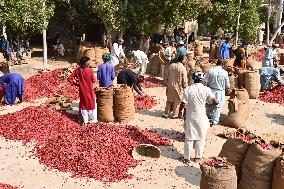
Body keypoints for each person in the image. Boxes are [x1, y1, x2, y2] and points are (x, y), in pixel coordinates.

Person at [179, 71, 218, 164]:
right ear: (202, 79)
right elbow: (216, 102)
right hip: (201, 116)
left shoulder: (188, 89)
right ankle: (198, 157)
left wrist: (180, 112)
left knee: (189, 137)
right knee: (201, 137)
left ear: (193, 79)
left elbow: (183, 103)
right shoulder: (206, 89)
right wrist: (207, 105)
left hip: (190, 116)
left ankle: (186, 158)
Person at [68, 56, 98, 125]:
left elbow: (69, 78)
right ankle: (92, 120)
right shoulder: (90, 70)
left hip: (82, 91)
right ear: (85, 63)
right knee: (92, 104)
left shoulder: (77, 70)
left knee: (83, 105)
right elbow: (94, 80)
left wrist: (76, 84)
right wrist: (96, 83)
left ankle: (85, 121)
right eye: (88, 62)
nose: (89, 63)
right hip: (90, 90)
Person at [205, 59, 230, 126]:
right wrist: (228, 89)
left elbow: (205, 81)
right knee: (217, 107)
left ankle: (206, 118)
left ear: (217, 63)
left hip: (211, 90)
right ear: (222, 65)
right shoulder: (224, 72)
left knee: (209, 105)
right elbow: (227, 84)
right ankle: (214, 121)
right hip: (219, 92)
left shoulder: (210, 71)